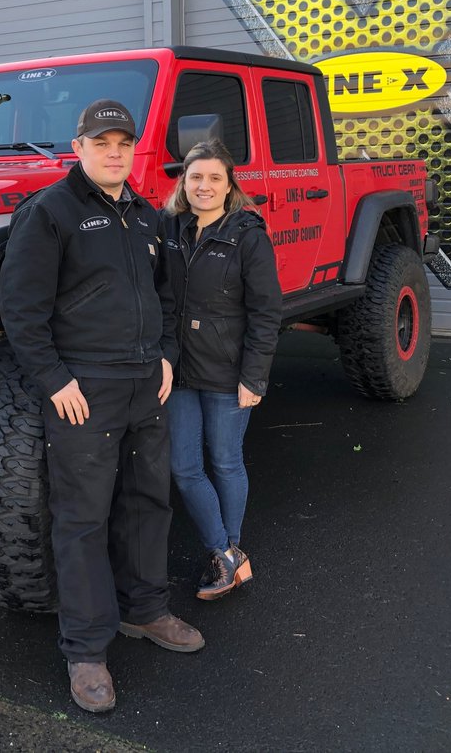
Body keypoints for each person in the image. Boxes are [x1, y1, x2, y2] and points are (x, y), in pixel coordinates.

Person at [0, 99, 204, 715]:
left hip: (147, 383)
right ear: (78, 147)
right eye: (102, 141)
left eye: (123, 141)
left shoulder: (146, 217)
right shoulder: (49, 213)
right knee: (83, 518)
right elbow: (21, 309)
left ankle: (145, 611)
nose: (114, 151)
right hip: (83, 392)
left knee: (147, 502)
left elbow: (167, 295)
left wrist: (167, 354)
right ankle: (86, 650)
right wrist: (54, 380)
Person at [160, 140, 282, 601]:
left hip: (230, 373)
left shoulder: (247, 234)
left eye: (215, 178)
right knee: (184, 467)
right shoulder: (170, 227)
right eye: (196, 177)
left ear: (230, 185)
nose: (204, 186)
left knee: (226, 461)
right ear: (184, 182)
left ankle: (225, 552)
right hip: (181, 372)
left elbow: (266, 311)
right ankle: (227, 554)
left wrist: (255, 377)